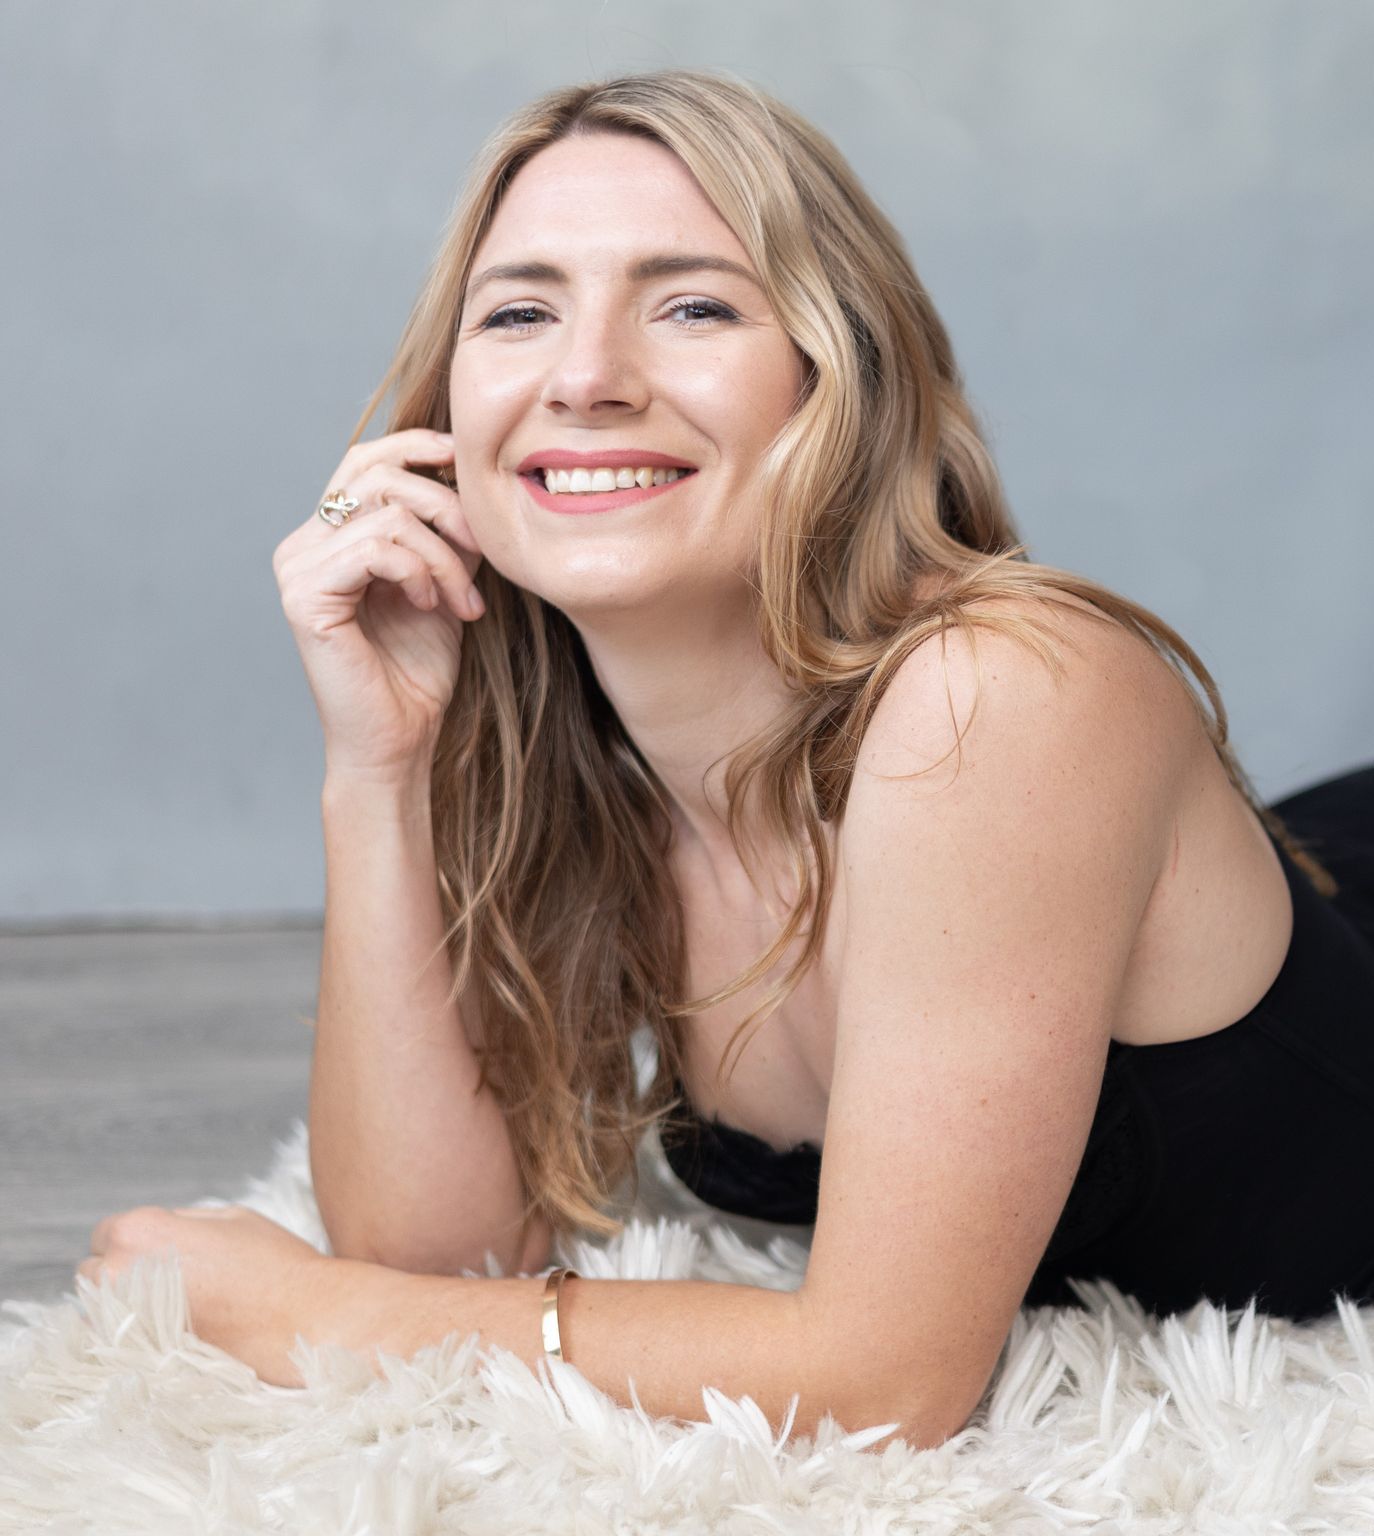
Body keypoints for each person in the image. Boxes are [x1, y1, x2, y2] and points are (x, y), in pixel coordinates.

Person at [269, 68, 1374, 1448]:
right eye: (519, 311)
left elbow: (885, 1381)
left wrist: (298, 1311)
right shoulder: (596, 775)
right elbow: (432, 1249)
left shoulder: (997, 698)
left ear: (834, 377)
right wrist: (378, 772)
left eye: (693, 306)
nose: (587, 377)